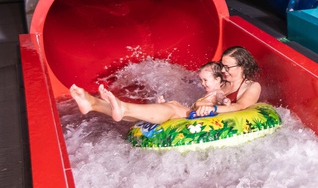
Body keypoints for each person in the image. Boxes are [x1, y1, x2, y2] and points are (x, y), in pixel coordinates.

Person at [69, 46, 261, 124]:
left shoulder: (251, 87)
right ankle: (94, 104)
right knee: (157, 111)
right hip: (198, 116)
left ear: (242, 66)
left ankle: (120, 106)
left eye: (227, 67)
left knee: (170, 109)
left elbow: (241, 107)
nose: (223, 70)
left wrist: (213, 107)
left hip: (215, 122)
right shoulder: (222, 82)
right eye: (222, 66)